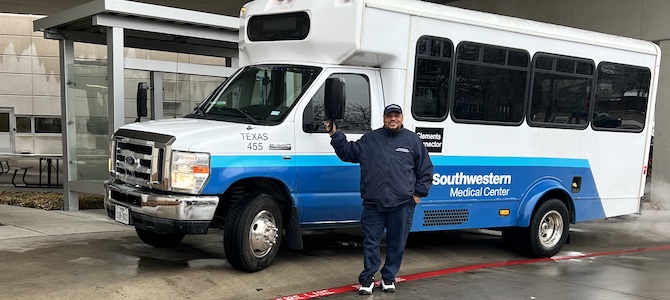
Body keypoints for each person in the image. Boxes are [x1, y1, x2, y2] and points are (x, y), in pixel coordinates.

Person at [324, 103, 433, 295]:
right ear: (383, 118)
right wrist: (334, 134)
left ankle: (389, 277)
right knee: (371, 243)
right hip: (374, 204)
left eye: (396, 115)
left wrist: (417, 195)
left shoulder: (413, 141)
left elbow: (425, 170)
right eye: (389, 115)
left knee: (397, 243)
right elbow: (348, 153)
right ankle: (367, 278)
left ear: (402, 118)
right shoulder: (370, 139)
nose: (393, 119)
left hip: (402, 205)